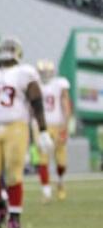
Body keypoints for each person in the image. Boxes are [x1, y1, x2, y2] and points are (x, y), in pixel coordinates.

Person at [0, 36, 53, 228]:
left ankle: (14, 218)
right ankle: (0, 205)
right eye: (4, 47)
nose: (7, 50)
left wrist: (43, 131)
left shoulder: (25, 72)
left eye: (11, 47)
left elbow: (37, 102)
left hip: (16, 126)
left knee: (13, 173)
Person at [34, 59, 73, 202]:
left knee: (61, 161)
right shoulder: (35, 85)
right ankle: (46, 192)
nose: (45, 75)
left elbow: (65, 102)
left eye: (47, 72)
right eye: (42, 72)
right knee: (42, 158)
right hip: (41, 124)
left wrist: (65, 124)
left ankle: (60, 181)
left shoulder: (59, 84)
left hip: (57, 124)